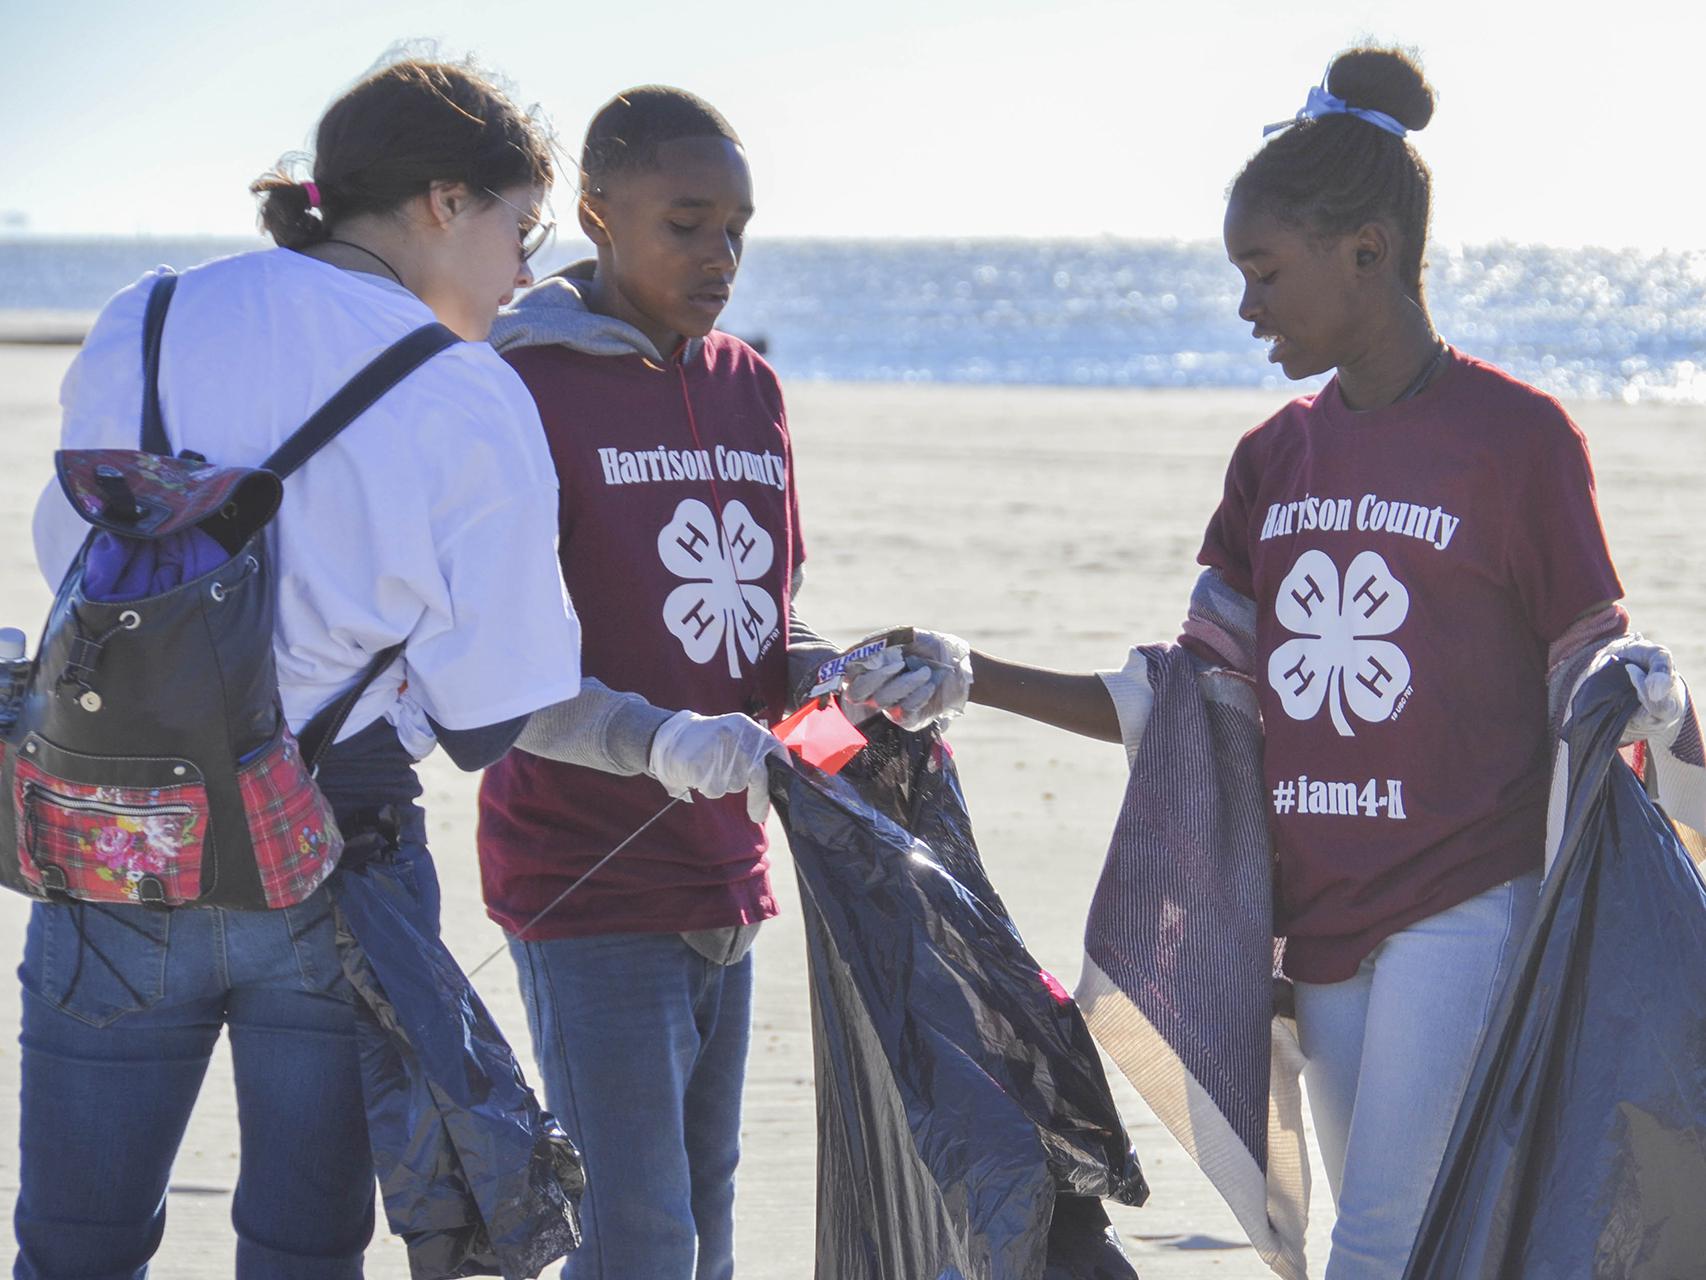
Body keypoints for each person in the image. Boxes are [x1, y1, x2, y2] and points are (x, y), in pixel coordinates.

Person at [846, 47, 1691, 1280]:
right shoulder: (1269, 461)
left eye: (1263, 272)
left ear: (1366, 250)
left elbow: (1589, 671)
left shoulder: (1516, 437)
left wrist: (1660, 708)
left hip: (1468, 891)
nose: (1245, 308)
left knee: (1384, 1237)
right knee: (1406, 1234)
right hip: (1317, 917)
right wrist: (975, 670)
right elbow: (1190, 698)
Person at [17, 57, 581, 1279]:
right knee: (302, 1250)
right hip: (335, 843)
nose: (525, 273)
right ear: (444, 200)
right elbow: (491, 718)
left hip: (118, 821)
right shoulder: (467, 389)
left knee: (71, 1245)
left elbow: (76, 551)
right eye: (519, 229)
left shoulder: (148, 312)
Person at [475, 85, 836, 1280]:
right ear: (594, 215)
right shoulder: (517, 384)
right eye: (686, 224)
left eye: (736, 226)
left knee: (707, 1216)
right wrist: (657, 741)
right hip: (584, 879)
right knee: (636, 1237)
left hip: (727, 874)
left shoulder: (750, 387)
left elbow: (765, 641)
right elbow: (497, 675)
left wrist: (856, 681)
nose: (719, 256)